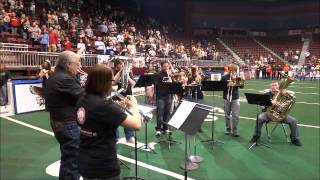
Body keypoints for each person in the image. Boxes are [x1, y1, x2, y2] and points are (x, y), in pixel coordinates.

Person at [76, 64, 141, 180]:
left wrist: (117, 107)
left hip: (85, 159)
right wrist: (135, 105)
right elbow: (136, 125)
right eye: (111, 80)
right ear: (104, 82)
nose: (112, 83)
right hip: (103, 165)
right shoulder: (105, 106)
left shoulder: (82, 98)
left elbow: (98, 117)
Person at [44, 51, 84, 180]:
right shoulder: (65, 78)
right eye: (77, 64)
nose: (79, 67)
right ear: (68, 65)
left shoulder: (57, 76)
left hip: (61, 122)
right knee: (73, 160)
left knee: (68, 158)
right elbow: (84, 97)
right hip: (68, 123)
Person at [249, 81, 302, 146]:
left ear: (278, 86)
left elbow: (293, 94)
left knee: (293, 121)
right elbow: (261, 105)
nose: (274, 87)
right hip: (268, 114)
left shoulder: (283, 93)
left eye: (276, 85)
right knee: (259, 118)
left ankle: (295, 139)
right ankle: (256, 137)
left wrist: (286, 92)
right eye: (272, 85)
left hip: (280, 115)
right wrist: (271, 102)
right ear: (270, 87)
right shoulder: (266, 94)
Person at [112, 59, 136, 143]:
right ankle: (115, 137)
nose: (122, 66)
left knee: (128, 116)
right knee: (116, 117)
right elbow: (113, 83)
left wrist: (127, 76)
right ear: (116, 66)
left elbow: (133, 83)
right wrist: (120, 72)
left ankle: (129, 136)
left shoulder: (128, 73)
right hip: (118, 97)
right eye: (120, 64)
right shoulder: (114, 72)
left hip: (128, 97)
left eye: (123, 64)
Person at [221, 64, 244, 137]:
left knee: (236, 115)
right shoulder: (224, 77)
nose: (232, 71)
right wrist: (227, 85)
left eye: (234, 70)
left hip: (235, 98)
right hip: (226, 97)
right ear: (229, 70)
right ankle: (228, 129)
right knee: (227, 114)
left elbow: (242, 86)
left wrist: (236, 81)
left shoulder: (238, 77)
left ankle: (235, 130)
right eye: (231, 70)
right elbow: (220, 87)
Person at [154, 61, 173, 137]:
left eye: (167, 66)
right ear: (161, 66)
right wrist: (164, 82)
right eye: (165, 66)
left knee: (167, 113)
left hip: (168, 96)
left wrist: (170, 80)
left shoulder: (169, 75)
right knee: (160, 114)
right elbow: (155, 84)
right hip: (160, 97)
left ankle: (166, 128)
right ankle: (158, 129)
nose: (166, 68)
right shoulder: (158, 74)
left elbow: (172, 85)